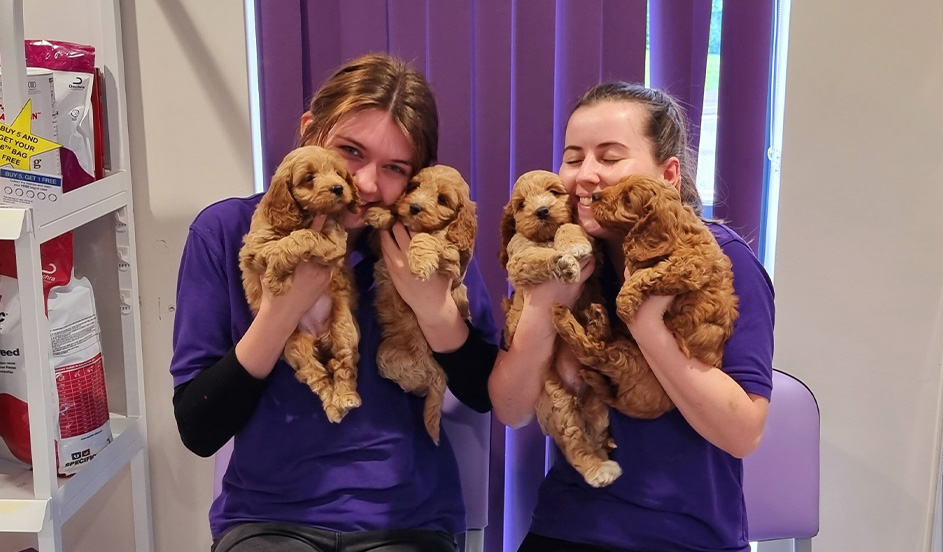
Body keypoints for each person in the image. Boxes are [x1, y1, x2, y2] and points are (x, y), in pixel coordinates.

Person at [170, 53, 500, 552]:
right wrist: (284, 308)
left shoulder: (424, 245)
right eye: (350, 151)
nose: (365, 185)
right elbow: (199, 427)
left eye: (394, 167)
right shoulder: (226, 233)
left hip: (406, 520)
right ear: (310, 132)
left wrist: (432, 308)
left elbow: (485, 394)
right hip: (268, 518)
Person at [489, 82, 775, 552]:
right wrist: (547, 301)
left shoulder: (720, 262)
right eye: (574, 157)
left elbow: (742, 432)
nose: (586, 176)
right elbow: (512, 409)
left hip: (687, 537)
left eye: (610, 156)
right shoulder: (558, 255)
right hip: (570, 526)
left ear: (668, 174)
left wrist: (647, 326)